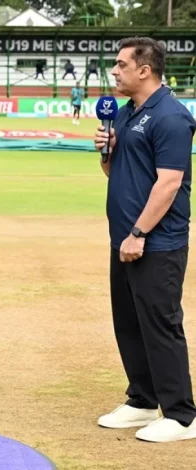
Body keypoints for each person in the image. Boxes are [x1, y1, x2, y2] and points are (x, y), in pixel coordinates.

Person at [94, 36, 196, 443]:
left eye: (120, 64)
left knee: (160, 324)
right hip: (124, 240)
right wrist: (106, 152)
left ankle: (182, 414)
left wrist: (139, 233)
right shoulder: (123, 113)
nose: (114, 71)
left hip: (157, 241)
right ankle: (141, 400)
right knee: (129, 323)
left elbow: (170, 183)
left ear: (144, 70)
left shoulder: (171, 116)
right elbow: (112, 174)